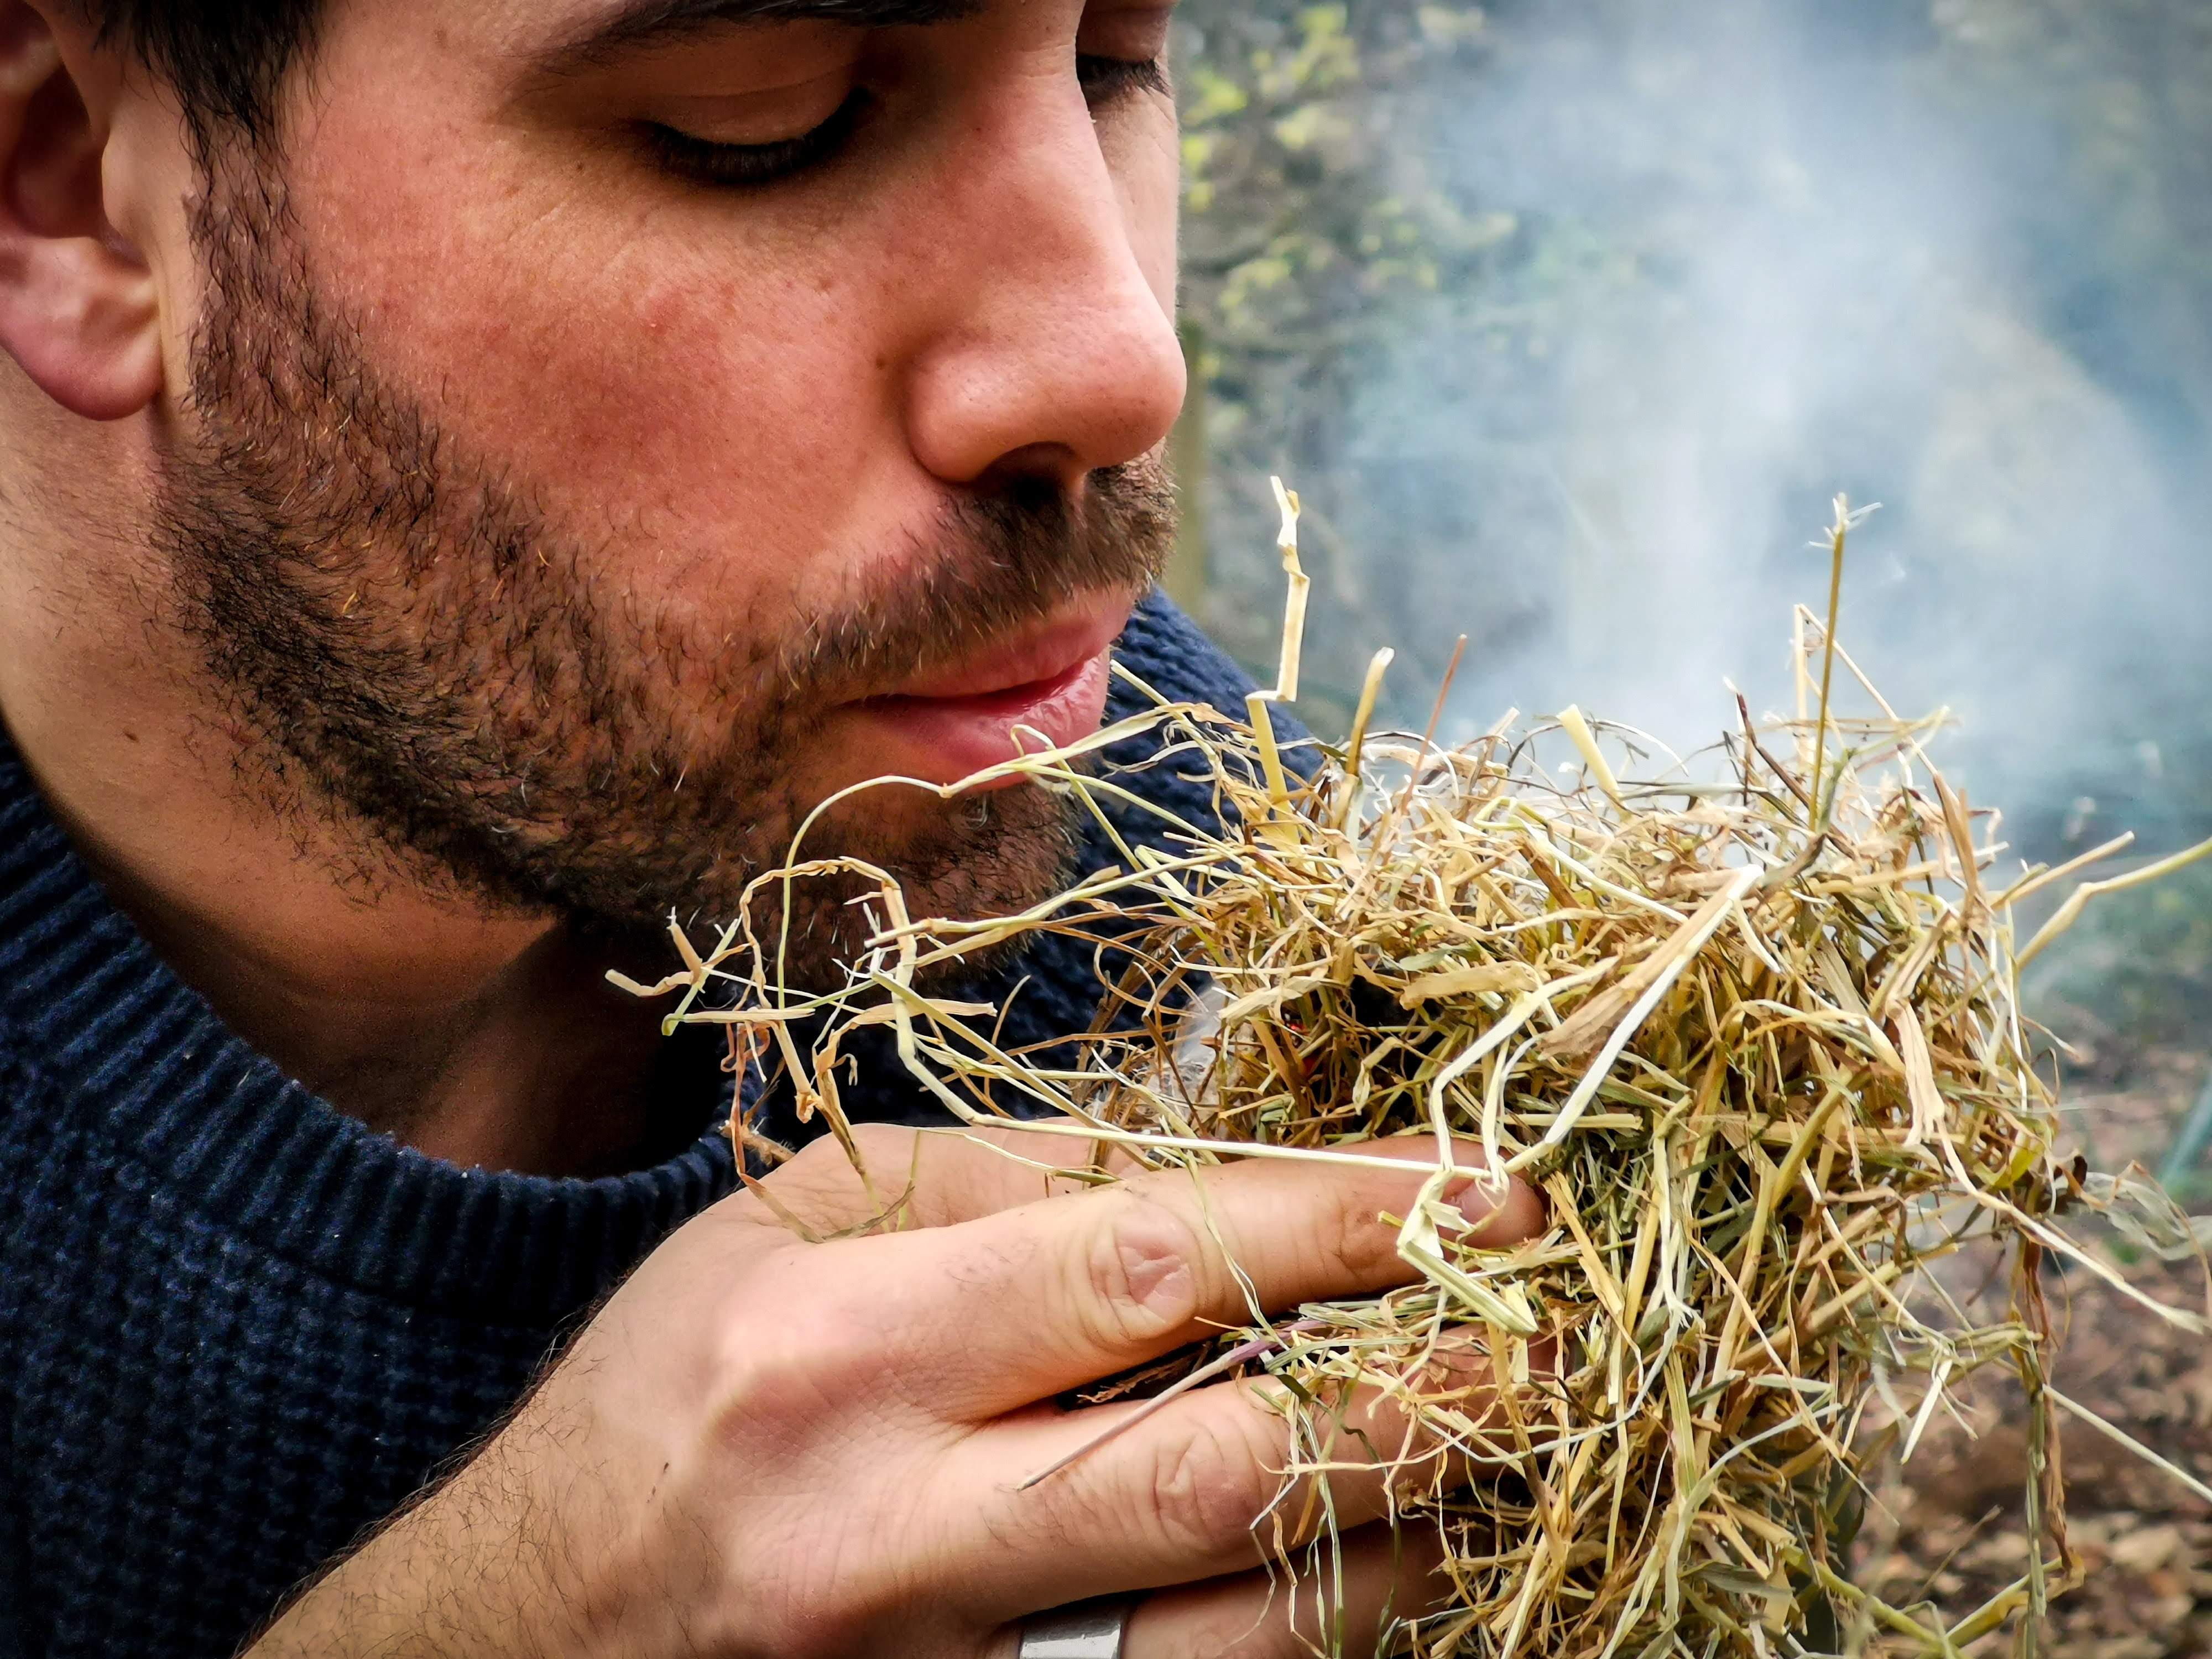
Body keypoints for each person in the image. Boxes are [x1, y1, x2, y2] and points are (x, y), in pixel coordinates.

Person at [0, 3, 1542, 1654]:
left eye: (1113, 63)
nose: (1119, 363)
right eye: (768, 124)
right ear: (76, 186)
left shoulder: (1205, 908)